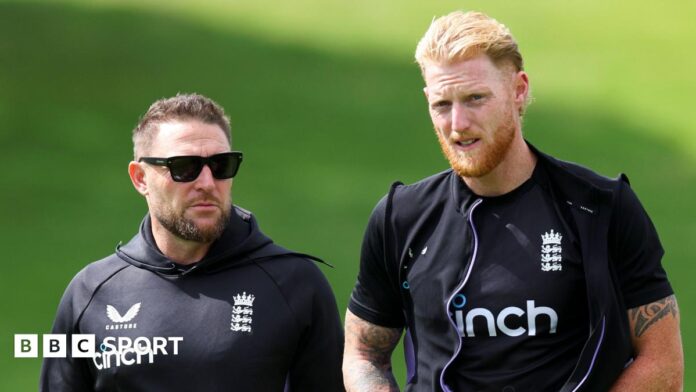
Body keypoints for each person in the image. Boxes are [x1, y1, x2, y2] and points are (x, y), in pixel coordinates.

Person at [343, 11, 683, 392]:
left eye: (475, 99)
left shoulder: (600, 208)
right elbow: (363, 353)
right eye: (442, 105)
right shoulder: (400, 218)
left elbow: (662, 361)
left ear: (518, 89)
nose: (458, 124)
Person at [41, 93, 344, 391]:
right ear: (140, 178)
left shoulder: (295, 284)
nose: (207, 183)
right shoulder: (90, 292)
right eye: (185, 167)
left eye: (221, 165)